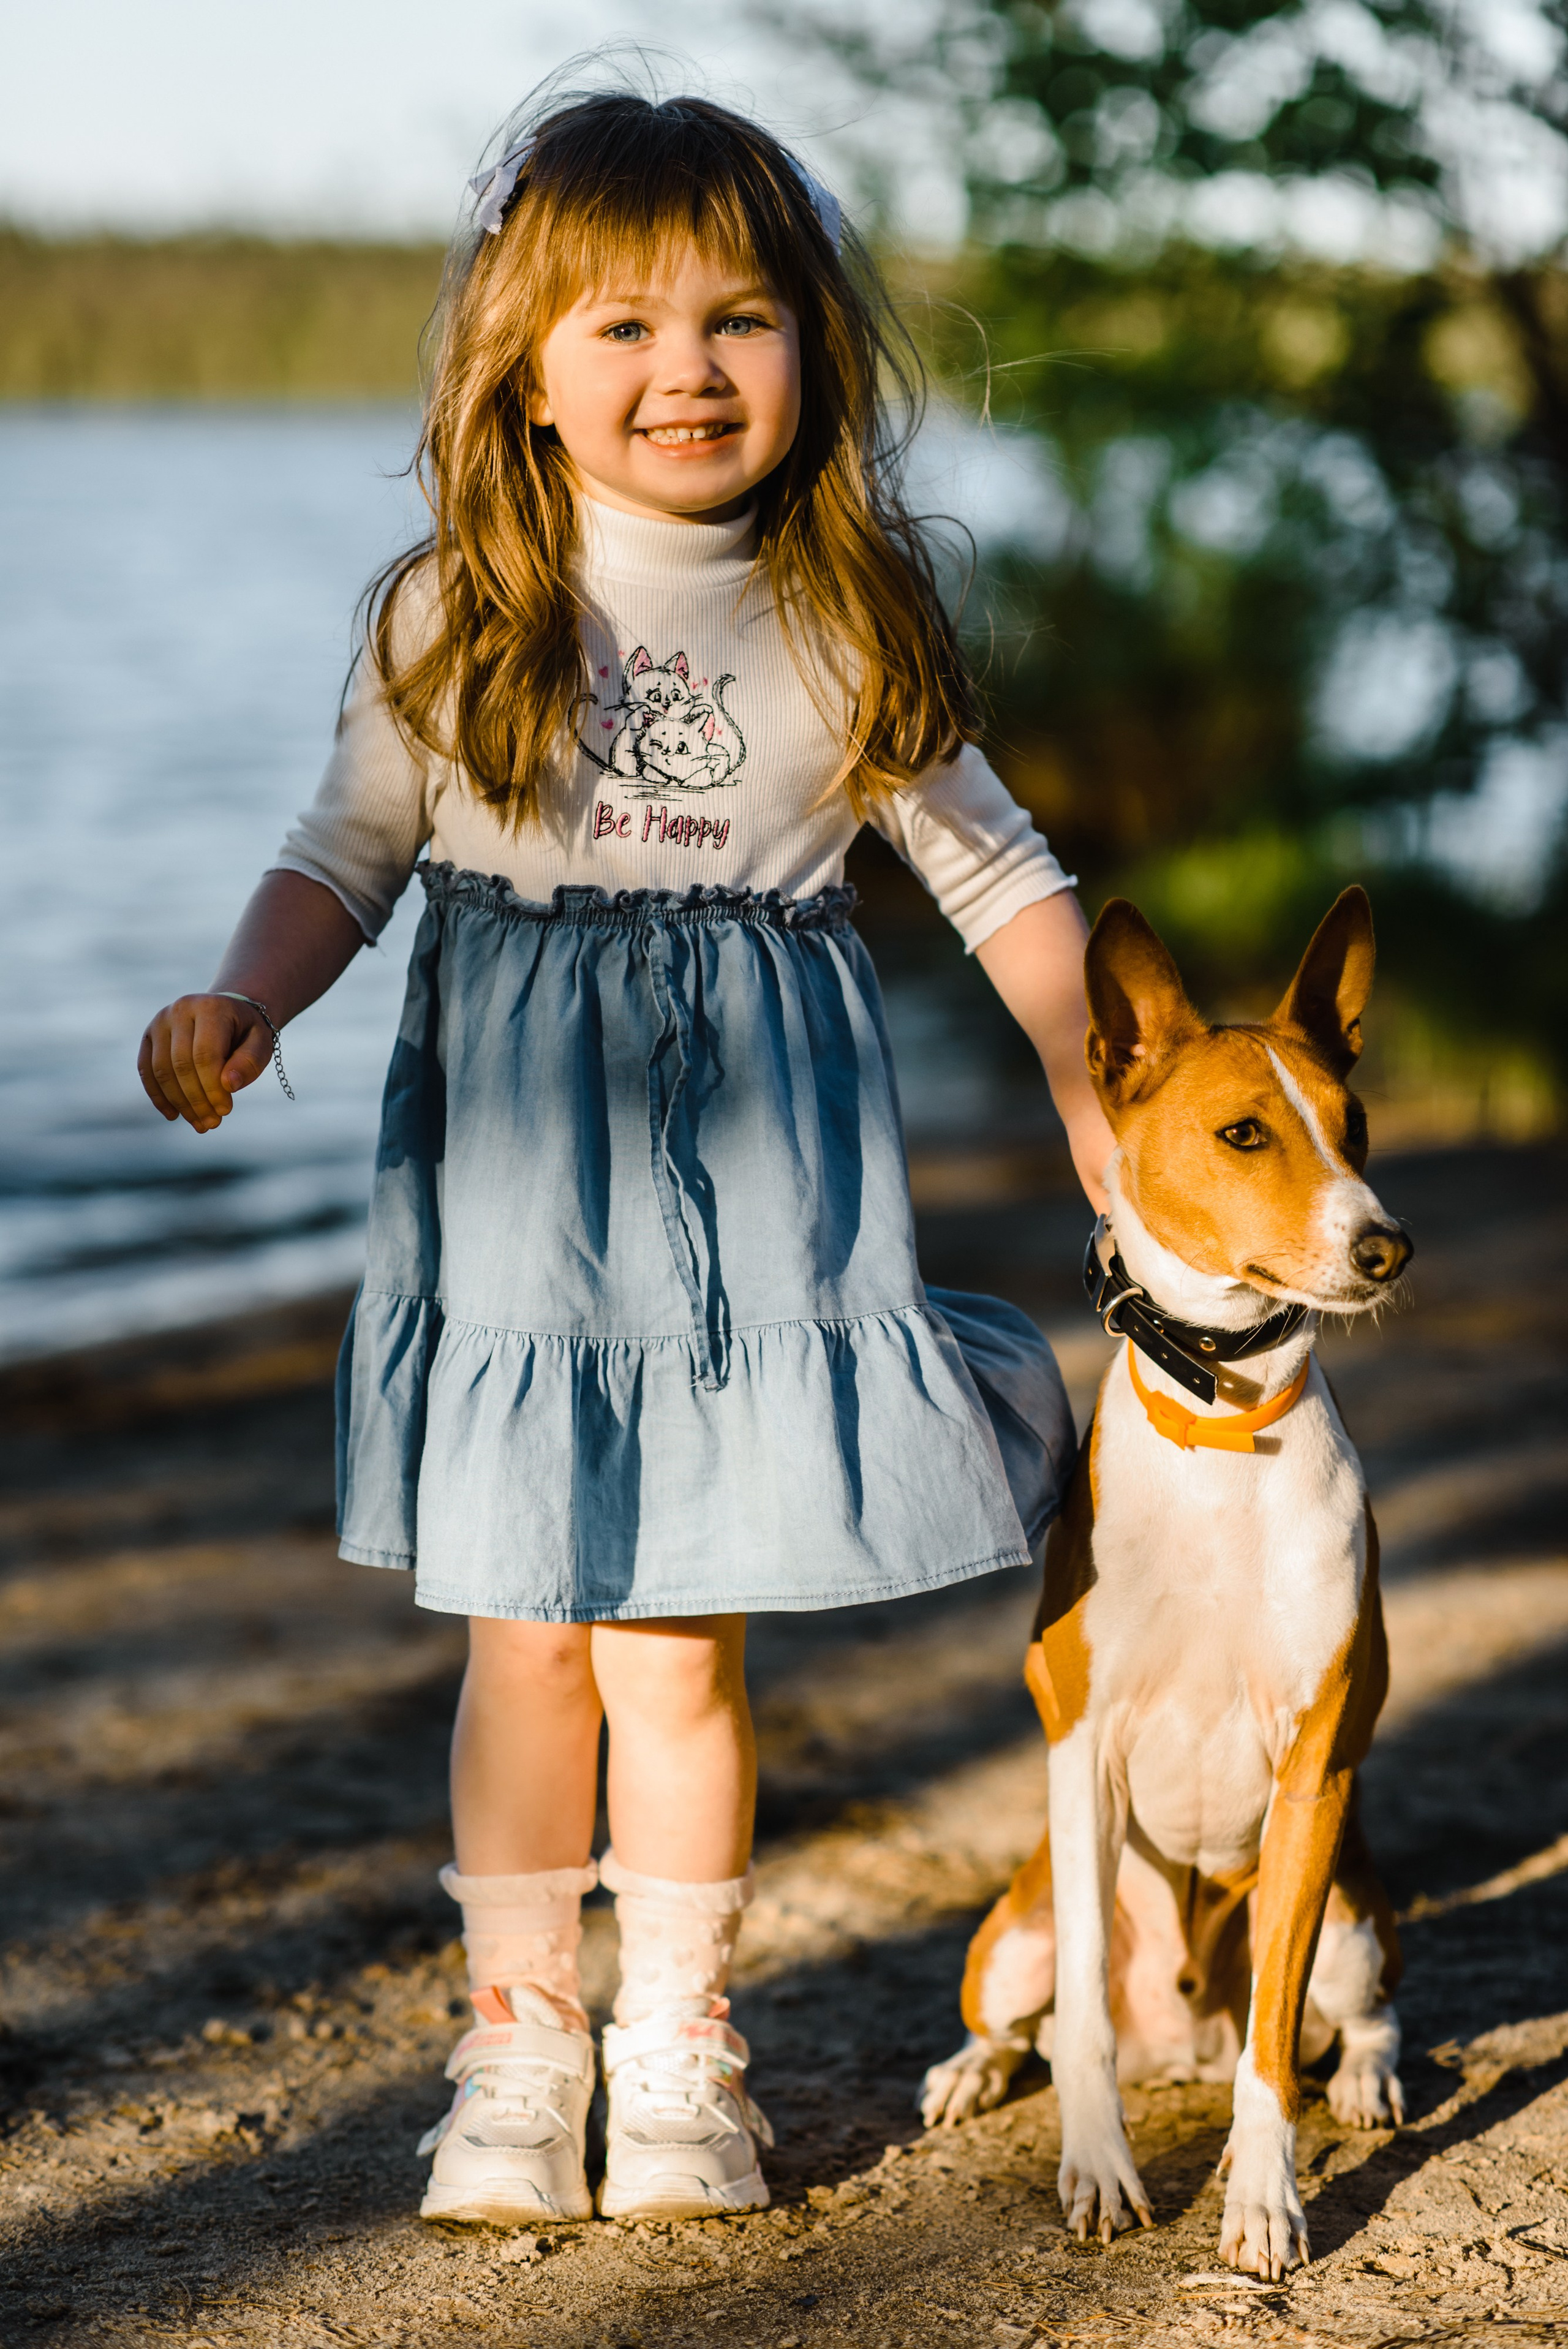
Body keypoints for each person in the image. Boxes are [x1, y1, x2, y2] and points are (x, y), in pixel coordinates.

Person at [137, 75, 1115, 2230]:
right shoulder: (452, 611)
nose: (688, 370)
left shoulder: (845, 611)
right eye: (627, 328)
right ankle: (517, 2040)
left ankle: (677, 2049)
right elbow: (346, 853)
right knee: (527, 1629)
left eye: (741, 322)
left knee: (678, 1640)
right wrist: (247, 996)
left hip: (752, 1208)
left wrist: (1088, 1085)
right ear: (525, 367)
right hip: (514, 1206)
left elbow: (1002, 879)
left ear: (813, 355)